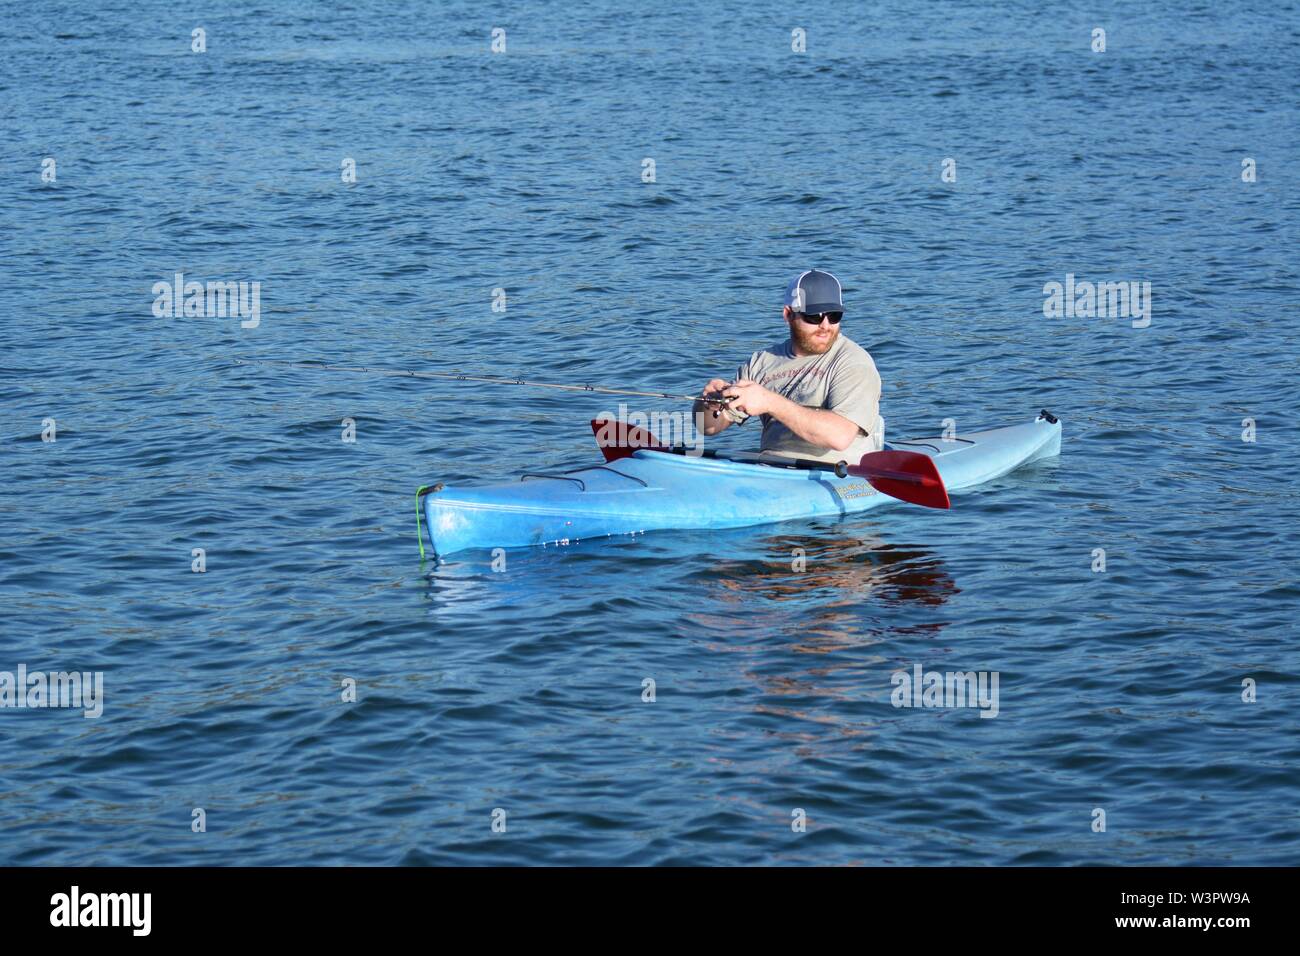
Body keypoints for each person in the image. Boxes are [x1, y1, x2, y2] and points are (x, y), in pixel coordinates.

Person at [695, 269, 884, 464]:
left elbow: (839, 436)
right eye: (815, 316)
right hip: (772, 472)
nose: (826, 325)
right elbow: (707, 428)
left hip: (836, 478)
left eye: (834, 315)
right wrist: (708, 405)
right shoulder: (761, 362)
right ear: (788, 314)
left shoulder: (854, 362)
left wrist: (770, 402)